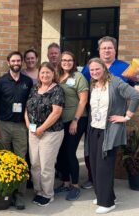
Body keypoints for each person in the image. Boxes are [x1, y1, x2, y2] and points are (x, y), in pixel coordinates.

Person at [81, 36, 139, 190]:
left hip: (113, 119)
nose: (106, 50)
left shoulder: (125, 67)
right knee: (91, 150)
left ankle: (105, 186)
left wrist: (128, 114)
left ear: (115, 50)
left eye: (109, 48)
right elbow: (83, 87)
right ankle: (92, 178)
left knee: (106, 154)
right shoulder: (90, 67)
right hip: (93, 117)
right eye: (103, 48)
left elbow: (136, 90)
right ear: (99, 50)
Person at [87, 58, 139, 214]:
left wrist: (126, 117)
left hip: (109, 130)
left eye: (97, 69)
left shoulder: (115, 82)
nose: (94, 72)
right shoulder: (93, 84)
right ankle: (104, 195)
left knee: (104, 167)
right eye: (92, 70)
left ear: (104, 68)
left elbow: (136, 96)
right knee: (96, 165)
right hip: (94, 129)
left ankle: (107, 203)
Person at [0, 51, 33, 210]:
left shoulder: (28, 82)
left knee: (21, 160)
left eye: (18, 60)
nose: (16, 63)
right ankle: (6, 191)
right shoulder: (0, 82)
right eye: (13, 60)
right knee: (4, 159)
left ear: (22, 62)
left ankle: (20, 195)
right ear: (8, 62)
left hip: (21, 126)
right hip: (3, 124)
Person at [25, 62, 65, 206]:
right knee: (35, 163)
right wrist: (29, 125)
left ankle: (48, 194)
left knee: (46, 165)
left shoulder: (57, 90)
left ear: (53, 74)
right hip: (33, 132)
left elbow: (56, 112)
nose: (45, 75)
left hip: (51, 133)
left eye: (48, 72)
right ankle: (38, 191)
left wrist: (41, 129)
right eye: (42, 72)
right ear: (39, 74)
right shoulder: (35, 88)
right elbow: (26, 108)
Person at [55, 51, 89, 201]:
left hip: (76, 120)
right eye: (64, 60)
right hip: (61, 121)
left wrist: (75, 120)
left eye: (69, 60)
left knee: (70, 152)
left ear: (74, 62)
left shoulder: (78, 77)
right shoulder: (57, 76)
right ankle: (66, 182)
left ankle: (75, 186)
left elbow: (83, 101)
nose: (66, 62)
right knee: (61, 153)